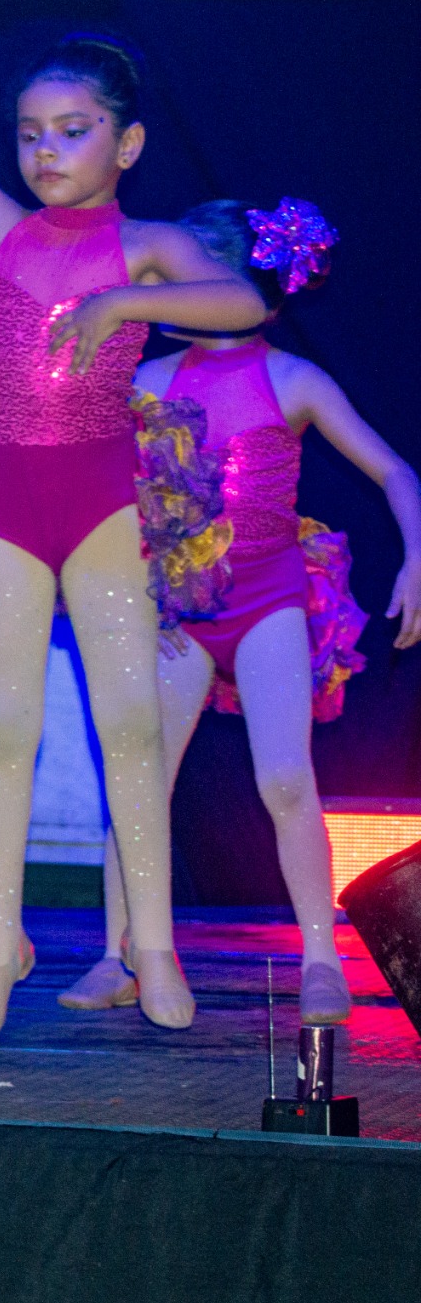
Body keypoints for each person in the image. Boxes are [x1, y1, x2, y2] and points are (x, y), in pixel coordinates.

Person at [0, 0, 266, 1044]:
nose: (45, 151)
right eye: (31, 133)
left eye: (72, 132)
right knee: (3, 726)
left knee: (130, 722)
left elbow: (244, 302)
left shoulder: (149, 242)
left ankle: (151, 945)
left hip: (100, 499)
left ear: (127, 144)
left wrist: (125, 300)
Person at [59, 199, 421, 1025]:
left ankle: (322, 960)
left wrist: (417, 554)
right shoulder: (151, 382)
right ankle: (119, 953)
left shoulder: (293, 381)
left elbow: (396, 472)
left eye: (175, 278)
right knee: (140, 778)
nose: (161, 292)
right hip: (182, 611)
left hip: (267, 599)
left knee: (285, 778)